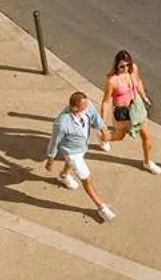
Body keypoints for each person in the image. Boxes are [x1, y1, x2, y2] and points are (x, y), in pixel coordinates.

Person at [43, 92, 115, 221]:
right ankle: (101, 207)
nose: (88, 106)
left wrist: (103, 129)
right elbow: (54, 142)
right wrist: (50, 160)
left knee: (72, 165)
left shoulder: (87, 106)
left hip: (82, 146)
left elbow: (94, 116)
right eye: (84, 105)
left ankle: (63, 176)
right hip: (72, 153)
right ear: (75, 108)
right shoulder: (61, 123)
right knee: (86, 179)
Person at [102, 50, 161, 174]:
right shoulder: (112, 81)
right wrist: (102, 123)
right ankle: (104, 137)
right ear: (116, 66)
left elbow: (138, 81)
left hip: (137, 107)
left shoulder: (133, 68)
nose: (125, 68)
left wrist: (144, 96)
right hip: (123, 113)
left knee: (146, 136)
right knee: (119, 136)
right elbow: (106, 102)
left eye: (128, 65)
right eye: (122, 66)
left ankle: (147, 162)